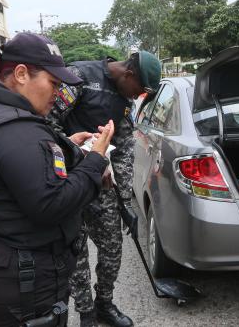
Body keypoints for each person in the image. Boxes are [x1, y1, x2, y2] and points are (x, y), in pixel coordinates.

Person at [0, 32, 114, 327]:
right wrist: (96, 159)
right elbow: (53, 205)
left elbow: (12, 167)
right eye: (53, 83)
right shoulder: (18, 132)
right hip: (21, 278)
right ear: (22, 74)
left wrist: (64, 146)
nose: (58, 92)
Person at [48, 51, 160, 327]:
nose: (137, 97)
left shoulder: (123, 98)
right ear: (129, 74)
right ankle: (86, 313)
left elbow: (122, 148)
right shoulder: (79, 79)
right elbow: (46, 125)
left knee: (112, 249)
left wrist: (125, 201)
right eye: (140, 90)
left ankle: (104, 305)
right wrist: (84, 154)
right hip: (69, 182)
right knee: (78, 253)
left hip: (103, 186)